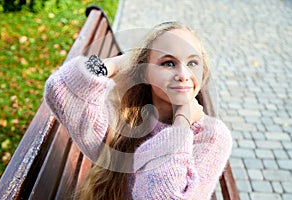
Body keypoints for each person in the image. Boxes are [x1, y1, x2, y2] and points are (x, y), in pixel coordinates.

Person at [44, 21, 232, 200]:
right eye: (168, 63)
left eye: (192, 63)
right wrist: (120, 62)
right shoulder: (127, 119)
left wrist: (181, 122)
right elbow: (59, 87)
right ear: (145, 72)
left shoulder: (211, 136)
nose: (183, 75)